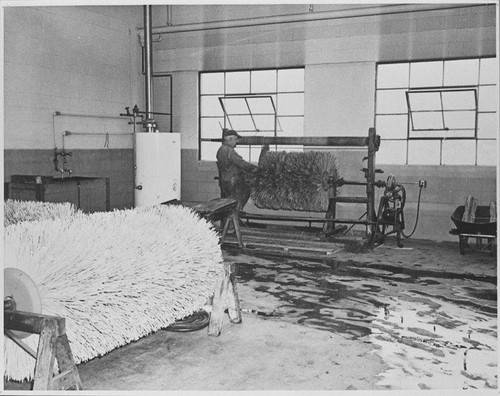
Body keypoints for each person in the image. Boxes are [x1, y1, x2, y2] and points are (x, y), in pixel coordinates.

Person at [216, 129, 256, 212]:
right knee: (247, 189)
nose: (236, 142)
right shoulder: (229, 151)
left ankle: (233, 214)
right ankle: (237, 211)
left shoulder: (220, 150)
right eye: (235, 140)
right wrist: (254, 168)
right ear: (230, 139)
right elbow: (240, 163)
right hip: (233, 181)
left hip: (225, 181)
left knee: (229, 201)